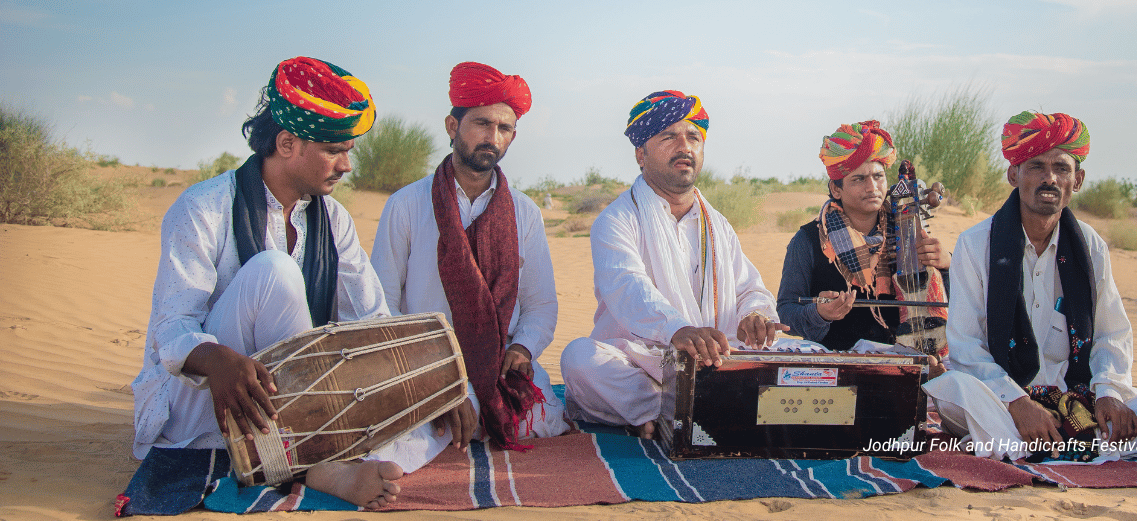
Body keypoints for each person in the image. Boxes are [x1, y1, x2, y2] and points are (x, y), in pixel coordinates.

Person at [131, 57, 407, 509]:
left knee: (409, 421)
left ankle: (302, 450)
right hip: (198, 410)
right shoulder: (205, 207)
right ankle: (316, 465)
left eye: (350, 150)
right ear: (286, 143)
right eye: (335, 149)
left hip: (279, 402)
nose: (347, 165)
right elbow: (172, 328)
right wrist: (218, 360)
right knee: (273, 271)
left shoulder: (333, 219)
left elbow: (371, 318)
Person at [922, 111, 1137, 463]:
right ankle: (1075, 445)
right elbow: (966, 346)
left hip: (1075, 400)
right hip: (1000, 399)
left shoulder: (1090, 246)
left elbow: (1111, 333)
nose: (1050, 179)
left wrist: (1107, 392)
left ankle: (1031, 445)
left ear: (1078, 179)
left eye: (1061, 168)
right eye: (1036, 167)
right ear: (1014, 175)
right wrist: (1018, 403)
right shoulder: (976, 243)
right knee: (956, 389)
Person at [559, 90, 794, 439]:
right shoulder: (618, 219)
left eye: (693, 137)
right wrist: (677, 330)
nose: (685, 146)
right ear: (641, 154)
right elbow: (627, 287)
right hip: (645, 360)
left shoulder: (717, 224)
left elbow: (748, 286)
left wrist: (755, 314)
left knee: (805, 353)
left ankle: (673, 410)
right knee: (579, 360)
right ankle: (668, 408)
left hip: (719, 356)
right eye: (669, 136)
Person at [370, 62, 568, 463]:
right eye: (481, 123)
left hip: (498, 365)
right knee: (408, 432)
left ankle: (467, 413)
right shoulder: (406, 205)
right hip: (423, 364)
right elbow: (383, 304)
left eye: (504, 128)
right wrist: (438, 377)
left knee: (542, 419)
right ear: (451, 126)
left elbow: (541, 305)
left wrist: (525, 349)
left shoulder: (525, 213)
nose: (492, 138)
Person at [777, 120, 951, 352]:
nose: (872, 187)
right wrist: (818, 313)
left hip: (908, 364)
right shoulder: (808, 240)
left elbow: (955, 304)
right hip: (838, 369)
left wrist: (948, 265)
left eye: (878, 176)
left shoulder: (909, 228)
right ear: (836, 189)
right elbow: (786, 312)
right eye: (859, 179)